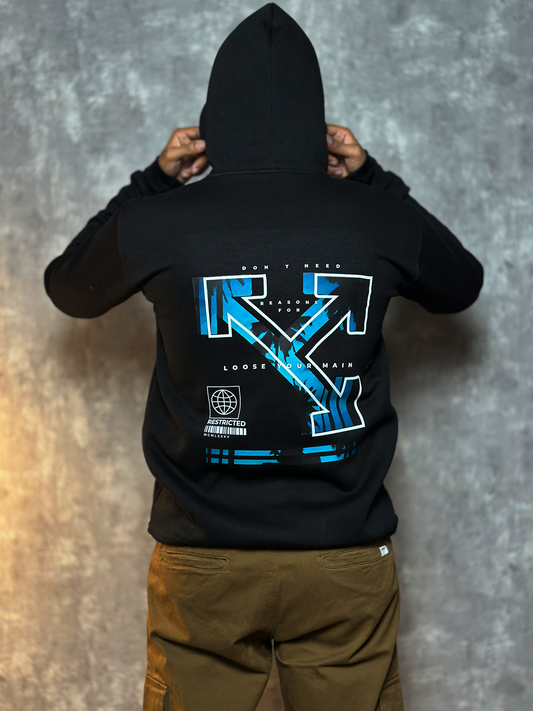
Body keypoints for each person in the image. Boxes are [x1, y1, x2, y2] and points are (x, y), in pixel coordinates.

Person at [43, 3, 483, 711]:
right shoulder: (381, 218)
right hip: (343, 556)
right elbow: (460, 283)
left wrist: (151, 182)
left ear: (213, 122)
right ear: (317, 124)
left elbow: (69, 287)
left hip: (204, 557)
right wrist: (374, 180)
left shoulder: (157, 222)